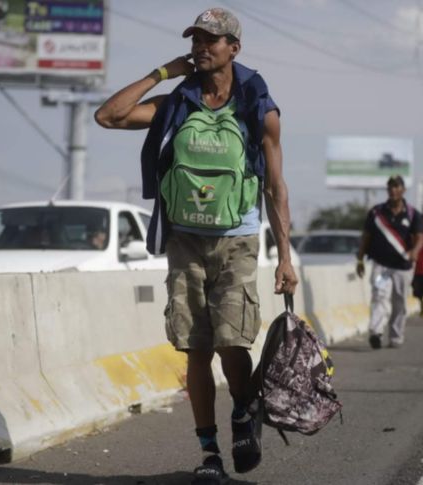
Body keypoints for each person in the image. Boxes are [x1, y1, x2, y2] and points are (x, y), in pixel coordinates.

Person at [94, 8, 298, 484]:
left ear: (234, 48)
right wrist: (161, 73)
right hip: (185, 240)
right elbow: (109, 116)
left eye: (212, 40)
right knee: (196, 350)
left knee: (232, 344)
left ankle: (244, 410)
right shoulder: (177, 103)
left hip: (236, 239)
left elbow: (275, 187)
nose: (202, 47)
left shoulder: (258, 109)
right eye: (196, 39)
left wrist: (285, 257)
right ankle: (210, 454)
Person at [356, 175, 423, 349]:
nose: (393, 190)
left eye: (396, 186)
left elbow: (419, 237)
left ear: (403, 190)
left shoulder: (412, 214)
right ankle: (376, 332)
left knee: (399, 302)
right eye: (390, 187)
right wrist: (360, 259)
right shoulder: (376, 212)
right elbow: (366, 236)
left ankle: (396, 336)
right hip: (381, 266)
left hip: (403, 267)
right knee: (379, 296)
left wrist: (415, 251)